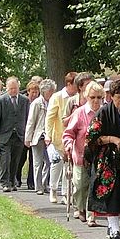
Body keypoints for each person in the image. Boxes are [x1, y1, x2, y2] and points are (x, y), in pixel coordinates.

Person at [87, 77, 120, 239]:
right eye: (118, 97)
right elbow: (92, 137)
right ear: (111, 96)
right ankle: (114, 226)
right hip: (108, 160)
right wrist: (112, 139)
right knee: (112, 191)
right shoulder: (103, 112)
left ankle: (114, 222)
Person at [62, 79, 105, 223]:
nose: (96, 100)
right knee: (80, 185)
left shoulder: (105, 112)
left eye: (99, 97)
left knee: (94, 186)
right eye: (93, 97)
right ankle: (80, 207)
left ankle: (91, 214)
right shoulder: (80, 113)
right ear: (86, 97)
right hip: (81, 155)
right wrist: (68, 144)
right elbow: (69, 133)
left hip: (99, 157)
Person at [0, 76, 28, 193]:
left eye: (15, 88)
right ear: (7, 88)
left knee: (15, 160)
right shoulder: (1, 100)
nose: (13, 91)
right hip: (4, 135)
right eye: (11, 89)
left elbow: (27, 119)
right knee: (4, 160)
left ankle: (12, 181)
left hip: (19, 135)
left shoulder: (24, 100)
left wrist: (27, 135)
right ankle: (5, 182)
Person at [45, 72, 79, 203]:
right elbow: (50, 117)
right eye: (75, 85)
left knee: (68, 165)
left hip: (72, 137)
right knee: (57, 164)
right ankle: (53, 188)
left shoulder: (77, 98)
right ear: (69, 84)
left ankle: (66, 193)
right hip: (58, 137)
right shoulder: (57, 97)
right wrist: (48, 134)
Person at [24, 79, 55, 195]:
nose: (52, 93)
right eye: (50, 91)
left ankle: (45, 183)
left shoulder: (52, 102)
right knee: (38, 162)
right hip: (38, 136)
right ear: (45, 91)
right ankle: (39, 186)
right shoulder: (37, 103)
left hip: (49, 136)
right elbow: (31, 121)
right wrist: (28, 138)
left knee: (49, 161)